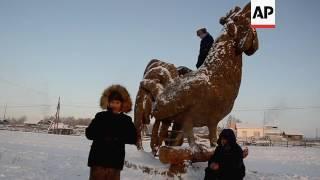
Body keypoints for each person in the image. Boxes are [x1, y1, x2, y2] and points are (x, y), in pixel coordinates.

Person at [86, 84, 137, 180]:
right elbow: (89, 134)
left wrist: (117, 138)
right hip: (98, 161)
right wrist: (103, 136)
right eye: (112, 102)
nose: (114, 105)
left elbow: (133, 138)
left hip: (115, 162)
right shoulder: (100, 117)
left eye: (117, 102)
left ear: (122, 104)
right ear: (108, 103)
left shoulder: (126, 120)